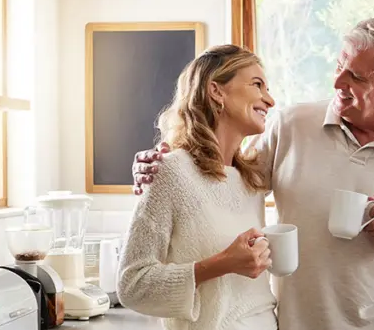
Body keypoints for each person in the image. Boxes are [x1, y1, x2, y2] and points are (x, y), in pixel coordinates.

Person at [131, 17, 374, 330]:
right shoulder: (292, 126)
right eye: (340, 66)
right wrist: (165, 158)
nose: (338, 82)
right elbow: (226, 175)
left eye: (356, 76)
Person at [117, 44, 279, 330]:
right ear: (217, 91)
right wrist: (222, 263)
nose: (270, 100)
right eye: (257, 85)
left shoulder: (251, 179)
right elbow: (132, 285)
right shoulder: (170, 171)